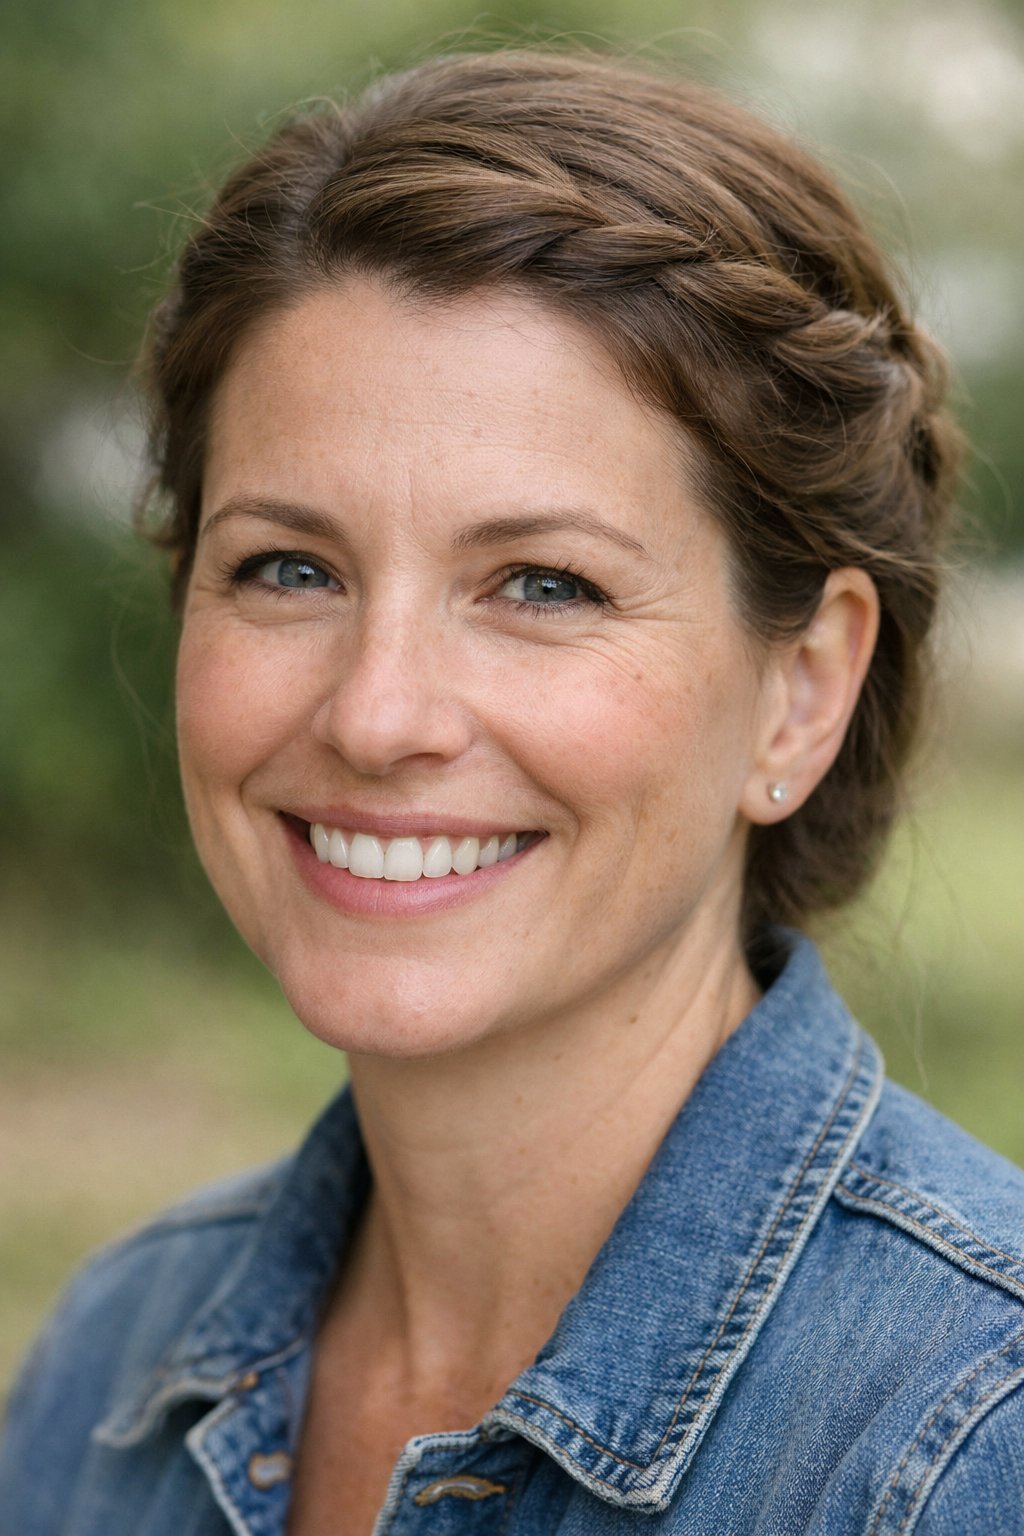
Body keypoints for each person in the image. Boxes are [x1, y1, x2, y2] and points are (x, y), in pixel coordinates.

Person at [2, 46, 1023, 1536]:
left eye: (543, 584)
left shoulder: (976, 1444)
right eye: (289, 568)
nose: (377, 714)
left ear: (801, 691)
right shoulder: (109, 1362)